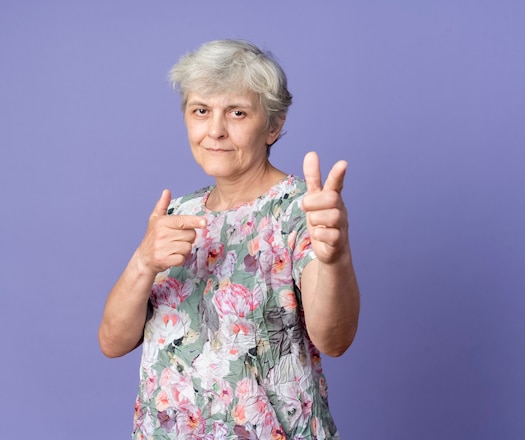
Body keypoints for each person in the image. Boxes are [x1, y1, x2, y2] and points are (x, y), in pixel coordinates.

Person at [98, 39, 360, 439]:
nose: (215, 130)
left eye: (237, 112)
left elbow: (334, 340)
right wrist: (143, 261)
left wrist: (335, 257)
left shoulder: (300, 212)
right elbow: (113, 342)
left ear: (273, 125)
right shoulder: (177, 213)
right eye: (201, 111)